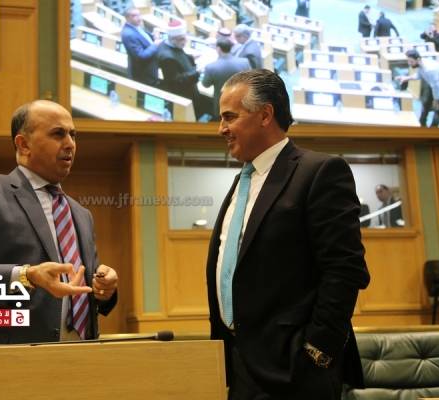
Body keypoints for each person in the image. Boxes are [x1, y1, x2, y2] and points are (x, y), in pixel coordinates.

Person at [206, 69, 370, 399]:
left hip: (296, 370)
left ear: (265, 115)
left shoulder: (320, 171)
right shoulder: (242, 181)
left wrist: (316, 352)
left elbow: (345, 269)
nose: (221, 128)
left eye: (229, 117)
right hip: (239, 365)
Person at [0, 100, 119, 347]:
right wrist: (26, 275)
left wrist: (105, 289)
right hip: (5, 359)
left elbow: (86, 292)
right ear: (23, 144)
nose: (70, 144)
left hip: (80, 357)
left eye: (73, 135)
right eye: (58, 134)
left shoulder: (82, 214)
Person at [157, 20, 201, 119]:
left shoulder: (170, 44)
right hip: (183, 93)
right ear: (173, 39)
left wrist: (191, 57)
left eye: (185, 38)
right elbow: (176, 81)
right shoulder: (167, 57)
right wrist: (197, 72)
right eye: (182, 39)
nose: (185, 41)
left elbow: (179, 55)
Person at [397, 49, 439, 127]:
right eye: (408, 61)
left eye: (411, 61)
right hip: (433, 85)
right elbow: (419, 75)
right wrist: (406, 78)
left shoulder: (430, 69)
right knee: (425, 103)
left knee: (437, 108)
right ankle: (422, 124)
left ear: (418, 59)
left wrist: (436, 100)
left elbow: (436, 86)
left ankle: (433, 129)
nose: (409, 64)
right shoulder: (421, 63)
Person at [202, 38, 250, 120]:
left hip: (222, 104)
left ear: (218, 49)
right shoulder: (245, 62)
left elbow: (205, 84)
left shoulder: (211, 67)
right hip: (241, 102)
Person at [120, 7, 160, 86]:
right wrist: (155, 45)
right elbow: (141, 56)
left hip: (150, 69)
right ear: (127, 18)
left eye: (139, 15)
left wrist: (153, 36)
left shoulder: (136, 26)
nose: (139, 18)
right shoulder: (128, 34)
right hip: (143, 74)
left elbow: (143, 38)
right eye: (134, 16)